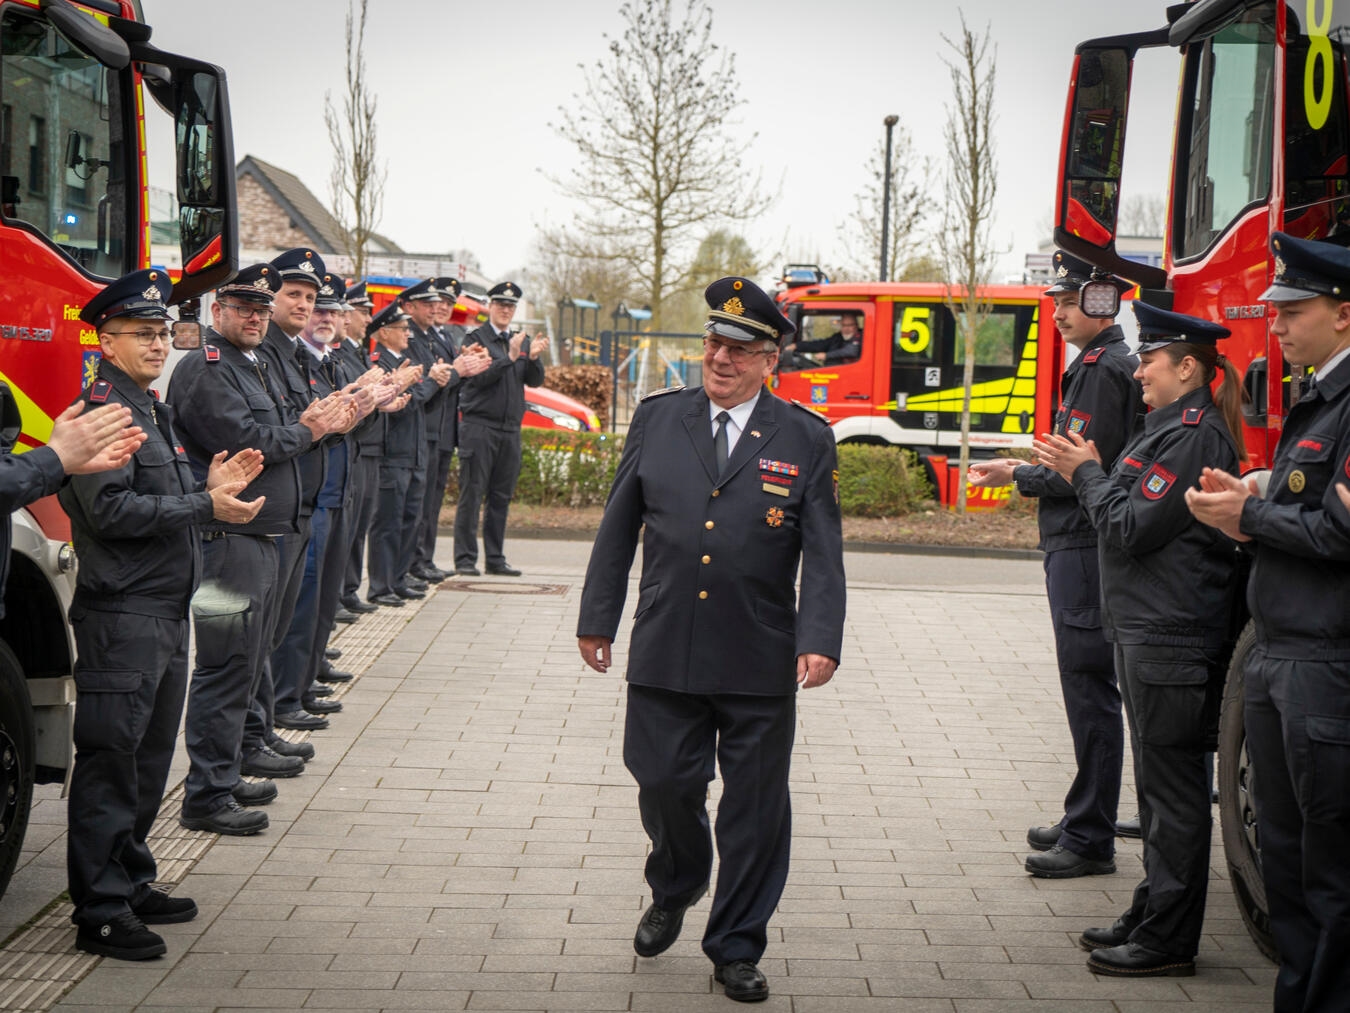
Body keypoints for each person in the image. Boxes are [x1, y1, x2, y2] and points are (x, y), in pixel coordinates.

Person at [576, 276, 845, 1003]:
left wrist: (820, 637)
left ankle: (735, 945)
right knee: (664, 783)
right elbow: (618, 524)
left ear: (771, 359)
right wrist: (597, 615)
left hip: (759, 652)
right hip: (666, 642)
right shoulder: (660, 419)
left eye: (739, 349)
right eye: (713, 344)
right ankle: (677, 880)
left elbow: (823, 552)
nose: (721, 359)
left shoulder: (805, 437)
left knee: (755, 808)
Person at [1034, 302, 1244, 978]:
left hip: (1171, 634)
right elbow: (1124, 512)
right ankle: (1153, 908)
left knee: (1174, 792)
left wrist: (1085, 473)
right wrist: (1093, 472)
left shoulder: (1191, 437)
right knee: (1157, 791)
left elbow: (1127, 526)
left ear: (1188, 367)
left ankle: (1168, 937)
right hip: (1149, 629)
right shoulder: (1165, 431)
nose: (1138, 369)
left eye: (1149, 360)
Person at [58, 269, 263, 961]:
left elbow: (168, 502)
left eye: (160, 332)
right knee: (111, 761)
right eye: (142, 334)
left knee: (148, 761)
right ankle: (101, 909)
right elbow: (110, 513)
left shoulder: (149, 409)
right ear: (105, 341)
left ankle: (131, 877)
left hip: (164, 610)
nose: (157, 343)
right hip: (124, 613)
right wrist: (204, 505)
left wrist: (208, 487)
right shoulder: (99, 414)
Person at [1186, 232, 1350, 1011]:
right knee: (1281, 863)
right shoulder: (1319, 395)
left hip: (1327, 663)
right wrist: (1251, 493)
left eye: (1294, 310)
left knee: (1330, 871)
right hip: (1281, 658)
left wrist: (1251, 516)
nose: (1275, 325)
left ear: (1345, 313)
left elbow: (1341, 534)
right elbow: (1308, 505)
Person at [967, 250, 1143, 878]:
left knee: (1089, 687)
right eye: (1059, 303)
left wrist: (1020, 473)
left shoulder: (1101, 369)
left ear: (1101, 303)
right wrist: (1022, 466)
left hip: (1082, 544)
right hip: (1083, 541)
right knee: (1089, 687)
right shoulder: (1106, 364)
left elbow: (1081, 469)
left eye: (1070, 302)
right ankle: (1083, 814)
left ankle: (1091, 835)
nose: (1060, 313)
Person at [170, 264, 351, 836]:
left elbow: (281, 432)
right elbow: (250, 443)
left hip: (262, 534)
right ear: (217, 310)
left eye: (259, 309)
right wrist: (309, 430)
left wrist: (310, 427)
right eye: (242, 307)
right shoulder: (207, 368)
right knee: (225, 666)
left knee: (250, 657)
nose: (253, 317)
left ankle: (230, 767)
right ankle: (207, 793)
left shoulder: (253, 365)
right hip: (227, 539)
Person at [453, 281, 546, 576]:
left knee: (500, 496)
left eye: (510, 307)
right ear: (490, 307)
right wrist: (509, 357)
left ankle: (495, 558)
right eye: (500, 305)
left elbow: (534, 381)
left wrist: (530, 358)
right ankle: (466, 559)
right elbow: (477, 380)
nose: (505, 311)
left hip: (509, 430)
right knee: (472, 493)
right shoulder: (476, 339)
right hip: (480, 426)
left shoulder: (521, 340)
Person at [410, 277, 489, 581]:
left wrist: (466, 366)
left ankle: (424, 559)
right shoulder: (419, 338)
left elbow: (452, 383)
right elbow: (436, 382)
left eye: (447, 303)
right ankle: (416, 562)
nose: (441, 308)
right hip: (427, 430)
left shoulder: (442, 337)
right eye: (437, 302)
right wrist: (459, 369)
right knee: (421, 502)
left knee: (432, 503)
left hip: (443, 432)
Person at [366, 301, 439, 605]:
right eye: (402, 328)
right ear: (383, 332)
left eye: (409, 328)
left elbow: (418, 398)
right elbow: (404, 403)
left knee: (411, 518)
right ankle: (380, 586)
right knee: (388, 523)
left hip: (413, 452)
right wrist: (425, 384)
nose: (408, 334)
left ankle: (399, 578)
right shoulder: (379, 362)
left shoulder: (406, 361)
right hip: (392, 453)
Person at [337, 280, 380, 615]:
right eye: (363, 312)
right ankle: (340, 595)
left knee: (356, 529)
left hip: (362, 449)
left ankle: (346, 592)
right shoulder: (341, 354)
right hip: (350, 452)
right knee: (344, 533)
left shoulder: (355, 353)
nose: (368, 319)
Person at [782, 312, 863, 366]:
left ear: (856, 325)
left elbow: (851, 351)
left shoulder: (861, 336)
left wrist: (826, 355)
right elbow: (821, 345)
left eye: (850, 325)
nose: (846, 328)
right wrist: (797, 346)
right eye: (844, 325)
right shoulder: (838, 337)